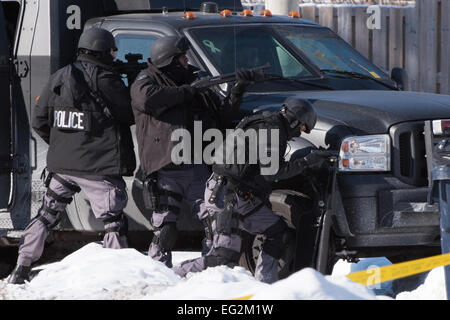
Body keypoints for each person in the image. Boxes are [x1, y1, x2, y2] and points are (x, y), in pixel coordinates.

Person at [7, 28, 136, 284]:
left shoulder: (59, 76)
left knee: (46, 216)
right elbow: (129, 114)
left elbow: (39, 119)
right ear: (101, 50)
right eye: (111, 51)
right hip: (98, 168)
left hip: (63, 167)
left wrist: (62, 145)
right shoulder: (107, 79)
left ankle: (21, 267)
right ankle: (119, 278)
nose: (114, 55)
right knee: (113, 223)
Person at [130, 35, 257, 267]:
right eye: (182, 58)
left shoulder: (194, 81)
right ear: (169, 61)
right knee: (165, 230)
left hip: (197, 166)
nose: (187, 62)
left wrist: (239, 88)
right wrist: (188, 91)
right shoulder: (146, 80)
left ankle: (214, 268)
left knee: (216, 221)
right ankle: (157, 273)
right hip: (165, 168)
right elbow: (146, 99)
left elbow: (222, 115)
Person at [172, 97, 331, 283]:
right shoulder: (273, 131)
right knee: (223, 258)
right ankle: (174, 275)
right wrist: (307, 162)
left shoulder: (266, 124)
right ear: (295, 120)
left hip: (240, 195)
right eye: (303, 127)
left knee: (276, 231)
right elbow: (272, 172)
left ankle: (265, 282)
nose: (300, 133)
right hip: (224, 195)